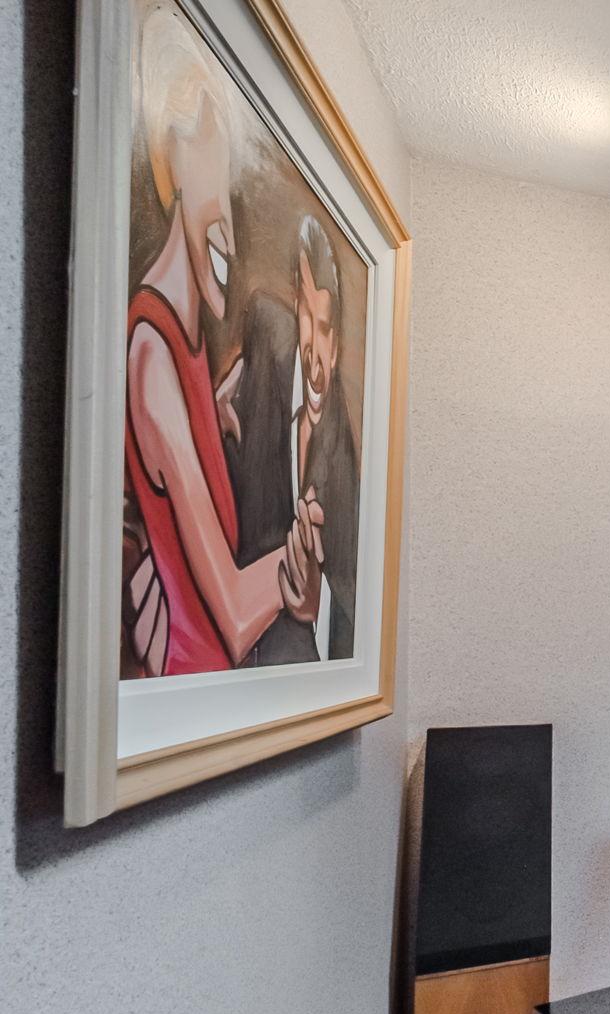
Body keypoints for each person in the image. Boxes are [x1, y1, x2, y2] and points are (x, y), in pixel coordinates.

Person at [124, 3, 321, 677]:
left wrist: (220, 405)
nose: (231, 234)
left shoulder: (189, 349)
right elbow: (232, 620)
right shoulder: (151, 353)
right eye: (211, 160)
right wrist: (299, 564)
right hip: (193, 681)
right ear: (169, 156)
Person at [223, 215, 360, 665]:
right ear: (295, 305)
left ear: (337, 344)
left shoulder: (342, 460)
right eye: (307, 316)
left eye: (325, 330)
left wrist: (313, 608)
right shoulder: (266, 326)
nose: (314, 354)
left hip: (290, 659)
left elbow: (354, 603)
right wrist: (217, 412)